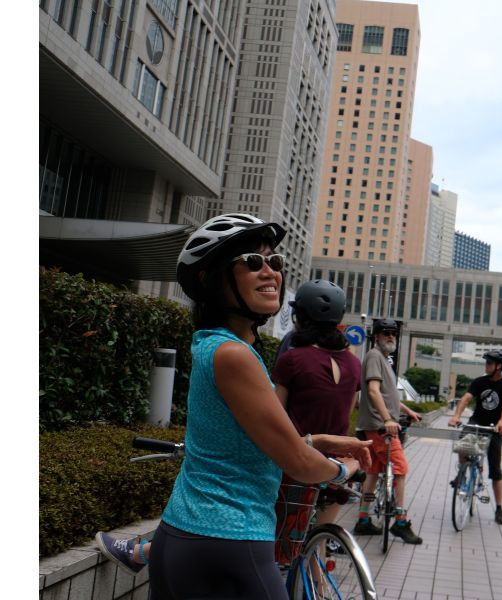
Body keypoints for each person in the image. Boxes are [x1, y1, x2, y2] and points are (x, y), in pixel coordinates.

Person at [95, 213, 371, 598]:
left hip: (192, 536)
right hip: (228, 539)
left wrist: (320, 441)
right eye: (251, 263)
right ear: (210, 279)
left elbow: (248, 441)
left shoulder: (218, 344)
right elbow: (298, 464)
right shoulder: (233, 355)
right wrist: (346, 470)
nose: (269, 272)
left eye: (274, 262)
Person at [271, 279, 362, 530]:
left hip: (297, 465)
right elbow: (346, 412)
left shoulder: (293, 359)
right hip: (337, 468)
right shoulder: (354, 365)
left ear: (299, 316)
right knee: (317, 542)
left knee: (284, 546)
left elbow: (274, 417)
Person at [353, 318, 423, 544]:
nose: (390, 336)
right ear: (376, 336)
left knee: (373, 472)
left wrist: (407, 410)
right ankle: (401, 521)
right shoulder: (374, 356)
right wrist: (386, 419)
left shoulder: (384, 360)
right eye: (385, 333)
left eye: (393, 333)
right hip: (379, 426)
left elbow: (386, 393)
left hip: (374, 425)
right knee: (400, 468)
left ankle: (363, 519)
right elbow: (373, 391)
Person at [447, 349, 502, 525]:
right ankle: (462, 473)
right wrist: (456, 416)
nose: (486, 366)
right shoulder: (479, 382)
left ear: (499, 366)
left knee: (496, 470)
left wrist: (501, 422)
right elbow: (466, 399)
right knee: (462, 444)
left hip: (494, 428)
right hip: (476, 421)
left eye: (489, 363)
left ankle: (499, 509)